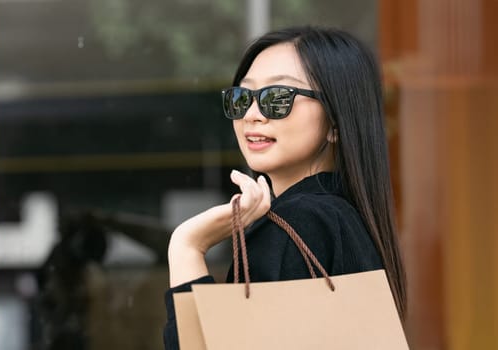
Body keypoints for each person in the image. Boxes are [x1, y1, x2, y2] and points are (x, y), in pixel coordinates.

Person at [163, 26, 406, 349]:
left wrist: (187, 247)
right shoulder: (346, 219)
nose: (252, 114)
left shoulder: (296, 223)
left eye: (277, 98)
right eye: (241, 97)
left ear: (335, 123)